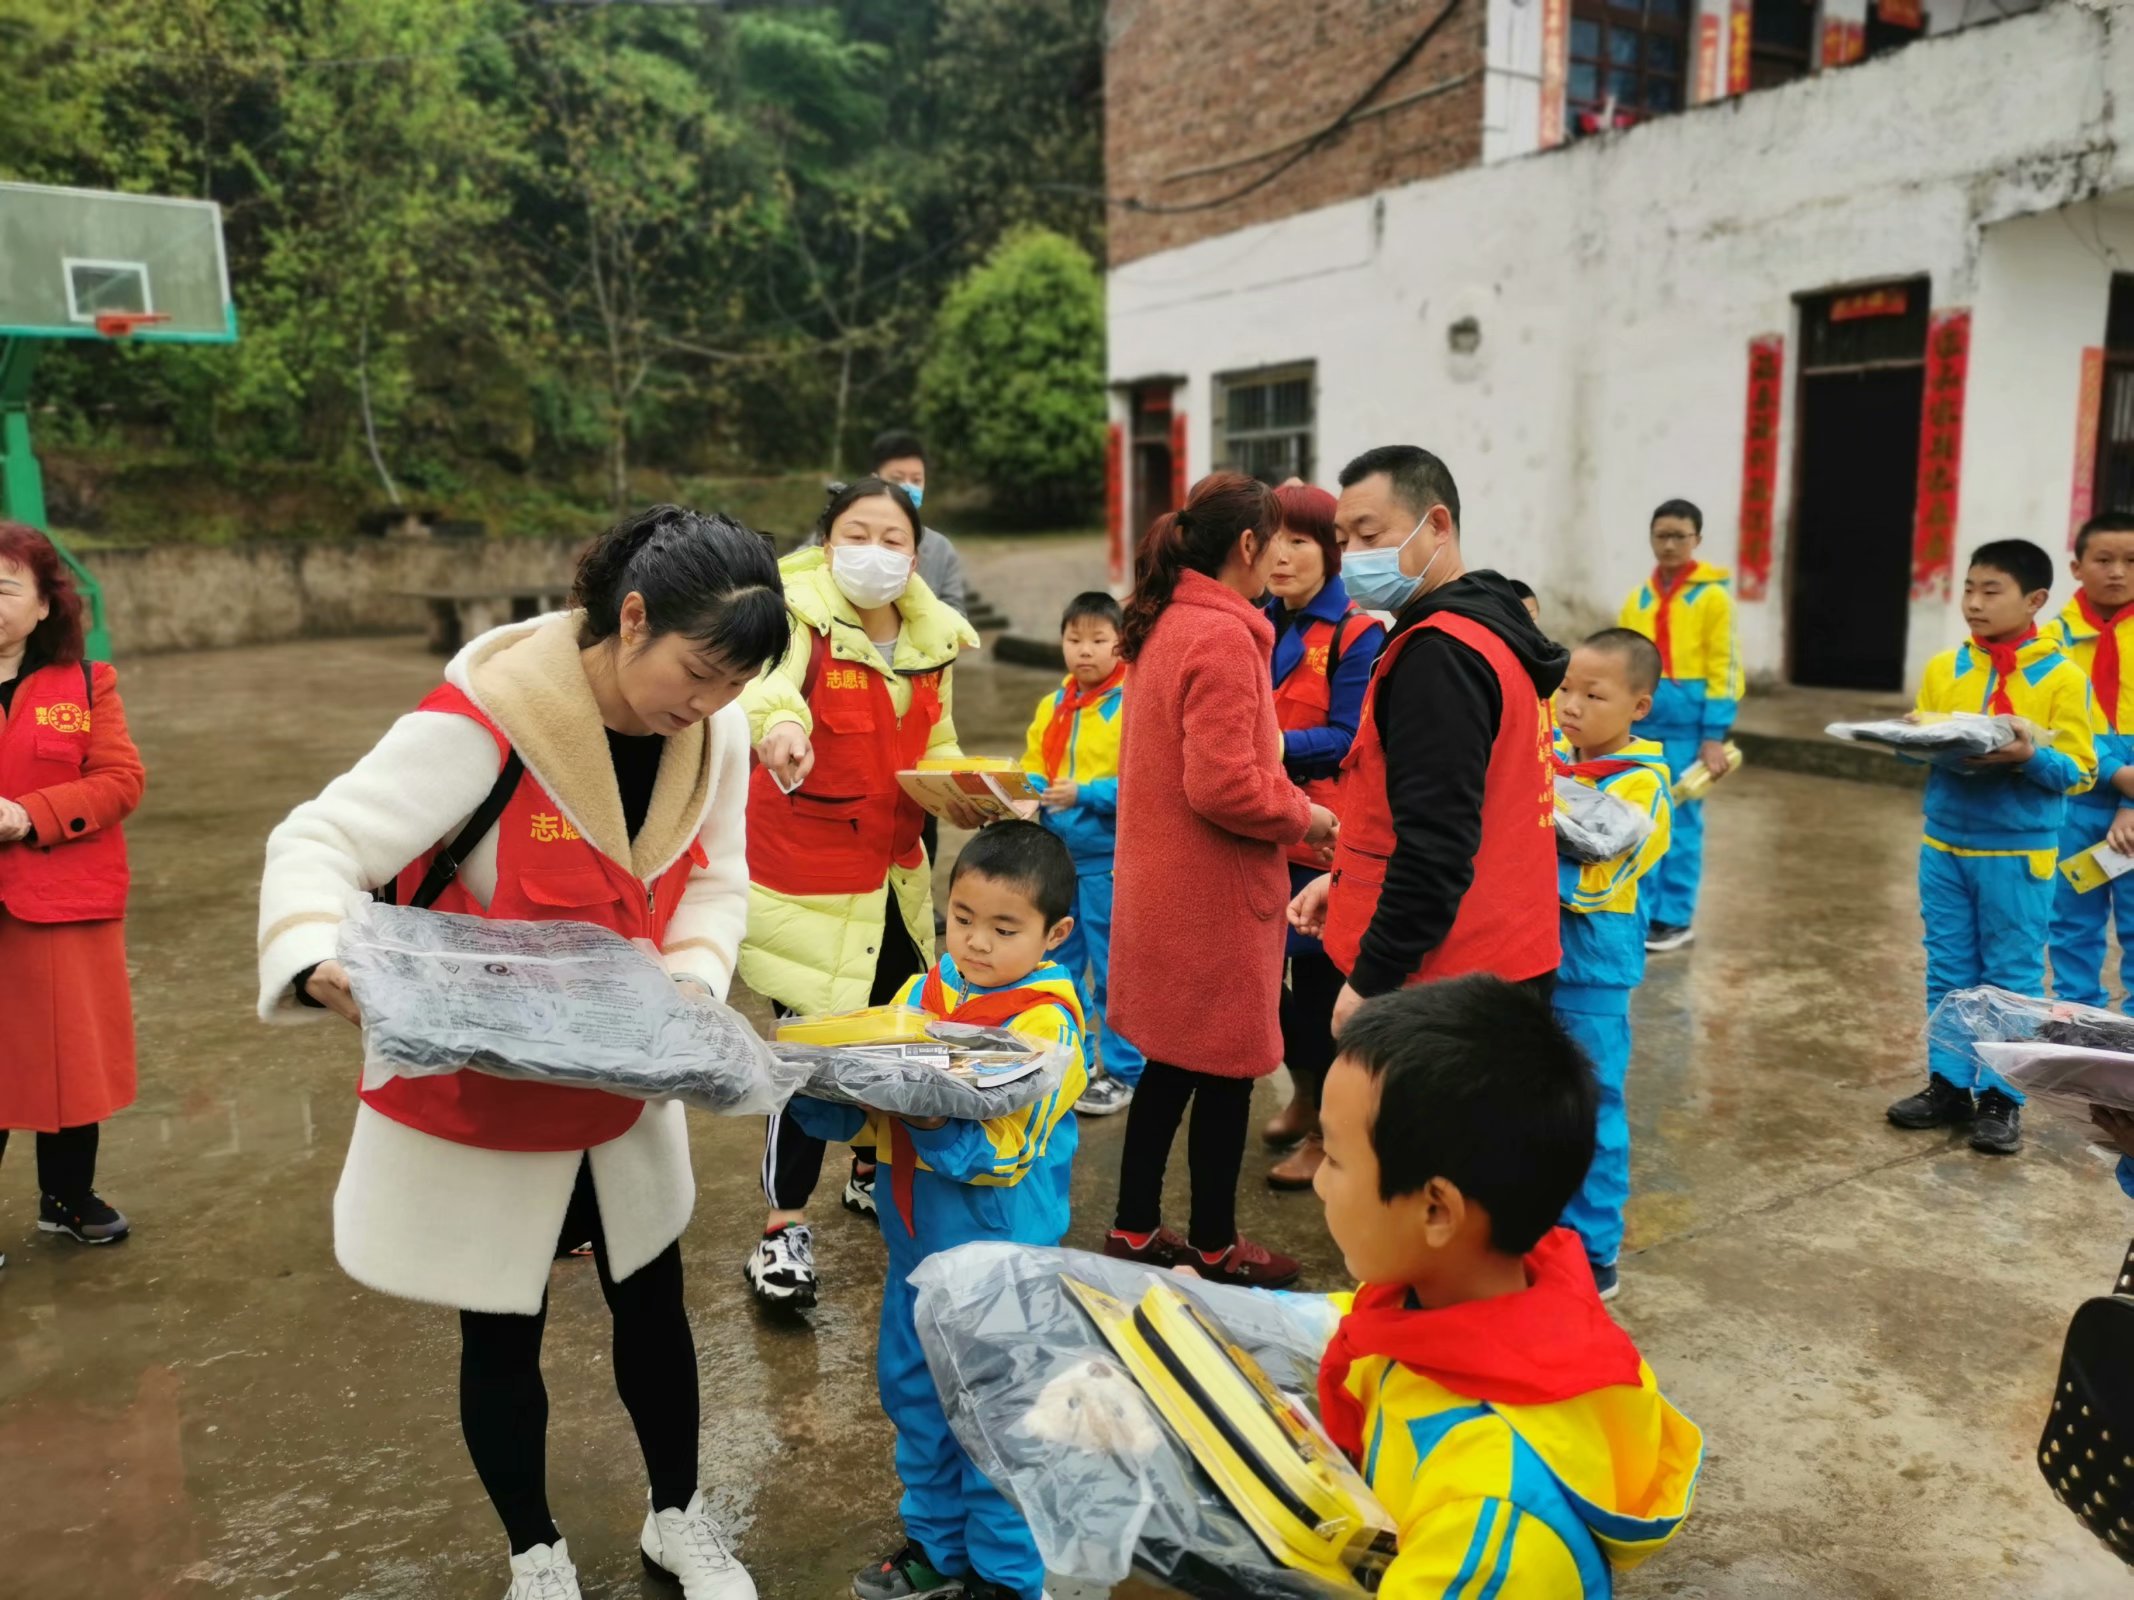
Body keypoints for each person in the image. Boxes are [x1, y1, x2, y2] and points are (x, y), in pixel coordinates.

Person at [257, 506, 781, 1600]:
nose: (711, 704)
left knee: (655, 1309)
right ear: (630, 619)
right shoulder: (483, 727)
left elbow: (719, 878)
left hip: (625, 1086)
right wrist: (313, 953)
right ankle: (533, 1552)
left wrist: (687, 981)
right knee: (502, 1328)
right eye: (698, 672)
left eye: (735, 685)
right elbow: (321, 839)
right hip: (488, 1093)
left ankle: (678, 1518)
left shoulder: (712, 735)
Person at [1313, 979, 1702, 1592]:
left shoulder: (1489, 1525)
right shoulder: (1460, 1294)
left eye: (1334, 1159)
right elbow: (1349, 1326)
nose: (1318, 1183)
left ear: (1437, 1211)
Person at [783, 822, 1086, 1600]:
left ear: (1054, 935)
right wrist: (824, 1093)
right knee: (916, 1398)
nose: (976, 943)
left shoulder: (1050, 1025)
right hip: (915, 1251)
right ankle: (938, 1548)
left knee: (997, 1420)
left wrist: (932, 1121)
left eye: (1003, 928)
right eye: (962, 919)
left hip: (999, 1266)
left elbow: (1011, 1151)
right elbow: (876, 1110)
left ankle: (1007, 1576)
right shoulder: (922, 994)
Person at [739, 476, 982, 1309]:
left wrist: (973, 787)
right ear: (827, 538)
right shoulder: (794, 616)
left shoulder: (931, 638)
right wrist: (780, 731)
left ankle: (868, 1171)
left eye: (893, 540)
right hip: (806, 879)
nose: (874, 553)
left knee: (888, 1033)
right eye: (857, 533)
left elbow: (937, 741)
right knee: (807, 1058)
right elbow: (765, 691)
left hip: (895, 876)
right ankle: (781, 1230)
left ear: (917, 555)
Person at [1106, 472, 1339, 1289]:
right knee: (1230, 1069)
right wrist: (1305, 816)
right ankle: (1213, 1247)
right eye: (1276, 541)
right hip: (1211, 894)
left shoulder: (1168, 618)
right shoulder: (1225, 634)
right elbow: (1226, 784)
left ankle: (1135, 1227)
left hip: (1164, 886)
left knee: (1172, 1065)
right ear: (1248, 545)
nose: (1281, 557)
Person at [1289, 447, 1568, 1035]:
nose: (1354, 558)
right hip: (1499, 953)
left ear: (1437, 525)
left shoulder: (1440, 657)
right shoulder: (1485, 630)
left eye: (1369, 534)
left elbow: (1436, 848)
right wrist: (1345, 883)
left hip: (1448, 982)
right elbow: (1427, 809)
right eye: (1344, 540)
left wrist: (1371, 981)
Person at [1886, 540, 2101, 1158]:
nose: (1974, 604)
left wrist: (2029, 755)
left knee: (2010, 980)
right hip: (1945, 842)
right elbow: (1921, 742)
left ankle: (2004, 1098)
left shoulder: (2062, 677)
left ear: (2035, 600)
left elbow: (2081, 771)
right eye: (1969, 589)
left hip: (2018, 852)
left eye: (1992, 591)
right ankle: (1948, 1085)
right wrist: (1909, 736)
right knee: (1949, 972)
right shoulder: (1945, 668)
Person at [0, 523, 146, 1261]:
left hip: (61, 901)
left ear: (44, 604)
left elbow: (120, 781)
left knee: (69, 1058)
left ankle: (67, 1198)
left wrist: (30, 815)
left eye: (3, 588)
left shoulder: (89, 684)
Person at [1259, 483, 1383, 1192]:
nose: (1281, 555)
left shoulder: (1358, 635)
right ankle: (1304, 1092)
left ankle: (1325, 1135)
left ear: (1332, 552)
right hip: (1257, 836)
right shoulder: (1257, 623)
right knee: (1261, 987)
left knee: (1318, 994)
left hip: (1323, 845)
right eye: (1271, 539)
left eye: (1300, 540)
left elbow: (1346, 738)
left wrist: (1268, 744)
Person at [1550, 629, 1673, 1300]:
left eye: (1593, 695)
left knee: (1592, 1105)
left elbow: (1597, 869)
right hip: (1533, 960)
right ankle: (1543, 1232)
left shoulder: (1644, 787)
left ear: (1639, 707)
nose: (1571, 706)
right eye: (1565, 690)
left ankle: (1594, 1250)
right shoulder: (1557, 764)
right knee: (1537, 1104)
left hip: (1592, 973)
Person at [1019, 591, 1143, 1115]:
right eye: (1074, 639)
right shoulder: (1055, 703)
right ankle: (1068, 1061)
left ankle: (1122, 1069)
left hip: (1109, 860)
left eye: (1098, 639)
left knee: (1115, 968)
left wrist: (1085, 794)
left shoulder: (1131, 703)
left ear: (1121, 644)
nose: (1084, 651)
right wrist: (1023, 792)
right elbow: (1033, 764)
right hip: (1058, 857)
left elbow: (1143, 780)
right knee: (1057, 964)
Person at [1616, 499, 1743, 953]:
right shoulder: (1639, 598)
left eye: (1679, 536)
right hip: (1645, 725)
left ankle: (1675, 917)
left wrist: (1714, 734)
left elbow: (1724, 666)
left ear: (1697, 541)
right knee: (1640, 816)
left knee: (1683, 822)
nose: (1669, 545)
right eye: (1661, 535)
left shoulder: (1712, 597)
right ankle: (1643, 911)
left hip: (1690, 730)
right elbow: (1624, 662)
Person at [2047, 511, 2134, 1008]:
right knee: (2072, 919)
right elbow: (2053, 723)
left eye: (2131, 561)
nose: (2118, 571)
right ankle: (2077, 1019)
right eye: (2104, 559)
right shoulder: (2048, 643)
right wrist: (2117, 774)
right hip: (2074, 796)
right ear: (2077, 567)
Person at [871, 429, 968, 620]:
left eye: (916, 480)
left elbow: (957, 617)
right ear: (874, 481)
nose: (908, 487)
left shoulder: (940, 549)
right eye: (897, 479)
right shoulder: (845, 537)